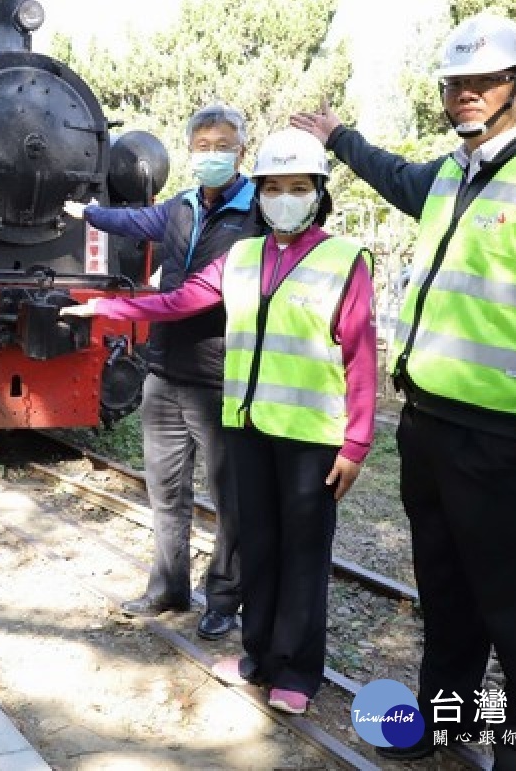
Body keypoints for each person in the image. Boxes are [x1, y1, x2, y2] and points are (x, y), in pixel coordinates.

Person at [290, 13, 516, 769]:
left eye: (484, 82)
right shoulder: (450, 175)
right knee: (447, 593)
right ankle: (444, 721)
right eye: (455, 84)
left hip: (505, 439)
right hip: (431, 428)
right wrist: (341, 137)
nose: (467, 95)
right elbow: (394, 174)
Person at [62, 128, 376, 715]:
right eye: (274, 187)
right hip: (248, 428)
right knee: (256, 545)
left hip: (311, 438)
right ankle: (258, 656)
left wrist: (357, 442)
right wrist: (109, 307)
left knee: (303, 556)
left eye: (299, 187)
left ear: (319, 193)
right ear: (258, 195)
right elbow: (176, 302)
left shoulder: (343, 258)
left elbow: (361, 356)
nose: (286, 197)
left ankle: (298, 674)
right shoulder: (242, 256)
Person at [64, 103, 261, 641]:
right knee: (166, 492)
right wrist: (89, 214)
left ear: (241, 150)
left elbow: (193, 299)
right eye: (202, 147)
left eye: (222, 145)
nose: (211, 155)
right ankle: (170, 586)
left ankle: (223, 599)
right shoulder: (179, 207)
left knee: (230, 502)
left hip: (222, 378)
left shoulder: (257, 216)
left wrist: (111, 309)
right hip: (164, 374)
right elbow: (135, 219)